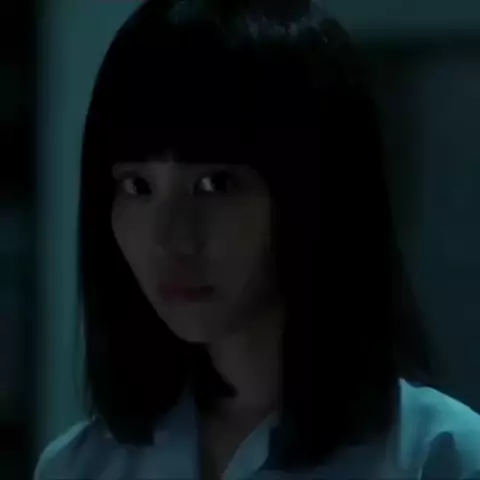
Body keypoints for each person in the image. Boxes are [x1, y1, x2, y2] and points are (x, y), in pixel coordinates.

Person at [34, 0, 480, 479]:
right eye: (137, 186)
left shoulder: (440, 457)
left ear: (313, 189)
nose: (170, 237)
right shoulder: (80, 466)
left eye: (215, 184)